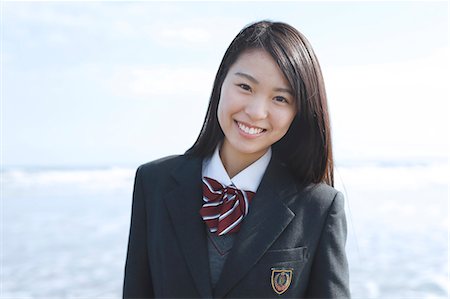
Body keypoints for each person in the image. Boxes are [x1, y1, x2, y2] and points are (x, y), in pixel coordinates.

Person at [123, 20, 350, 298]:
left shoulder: (319, 207)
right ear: (221, 82)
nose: (256, 111)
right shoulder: (153, 183)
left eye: (280, 99)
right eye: (245, 86)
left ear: (298, 112)